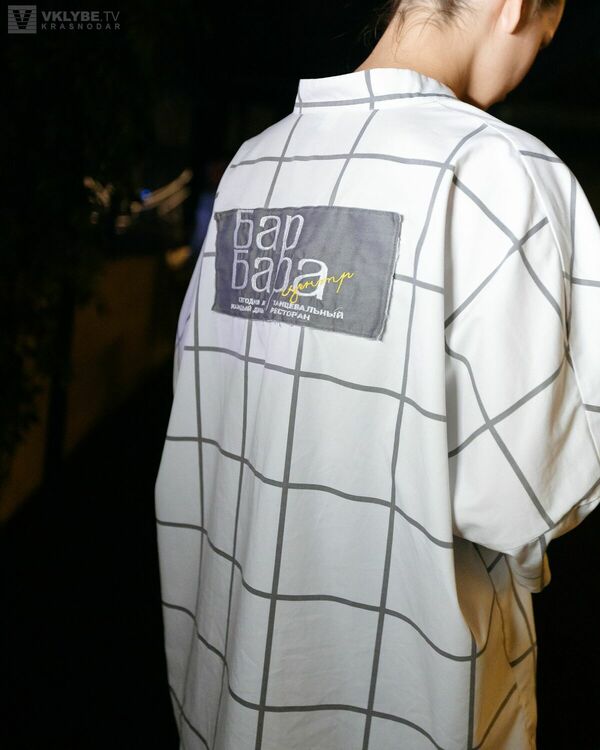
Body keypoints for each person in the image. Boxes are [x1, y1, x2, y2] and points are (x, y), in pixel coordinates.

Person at [155, 0, 600, 747]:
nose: (529, 65)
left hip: (229, 684)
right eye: (543, 40)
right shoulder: (501, 172)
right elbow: (526, 501)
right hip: (404, 702)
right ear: (516, 7)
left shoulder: (254, 166)